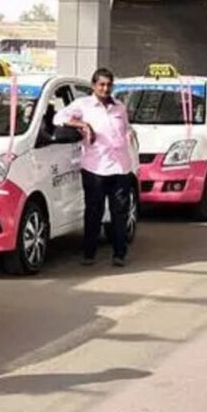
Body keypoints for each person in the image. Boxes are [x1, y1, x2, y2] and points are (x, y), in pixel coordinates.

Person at [54, 68, 134, 267]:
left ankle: (119, 254)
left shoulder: (119, 107)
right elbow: (58, 118)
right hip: (95, 168)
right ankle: (89, 253)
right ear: (93, 85)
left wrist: (131, 137)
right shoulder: (83, 105)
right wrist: (83, 125)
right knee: (94, 211)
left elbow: (126, 128)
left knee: (119, 213)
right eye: (101, 85)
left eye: (108, 85)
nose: (105, 89)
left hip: (121, 167)